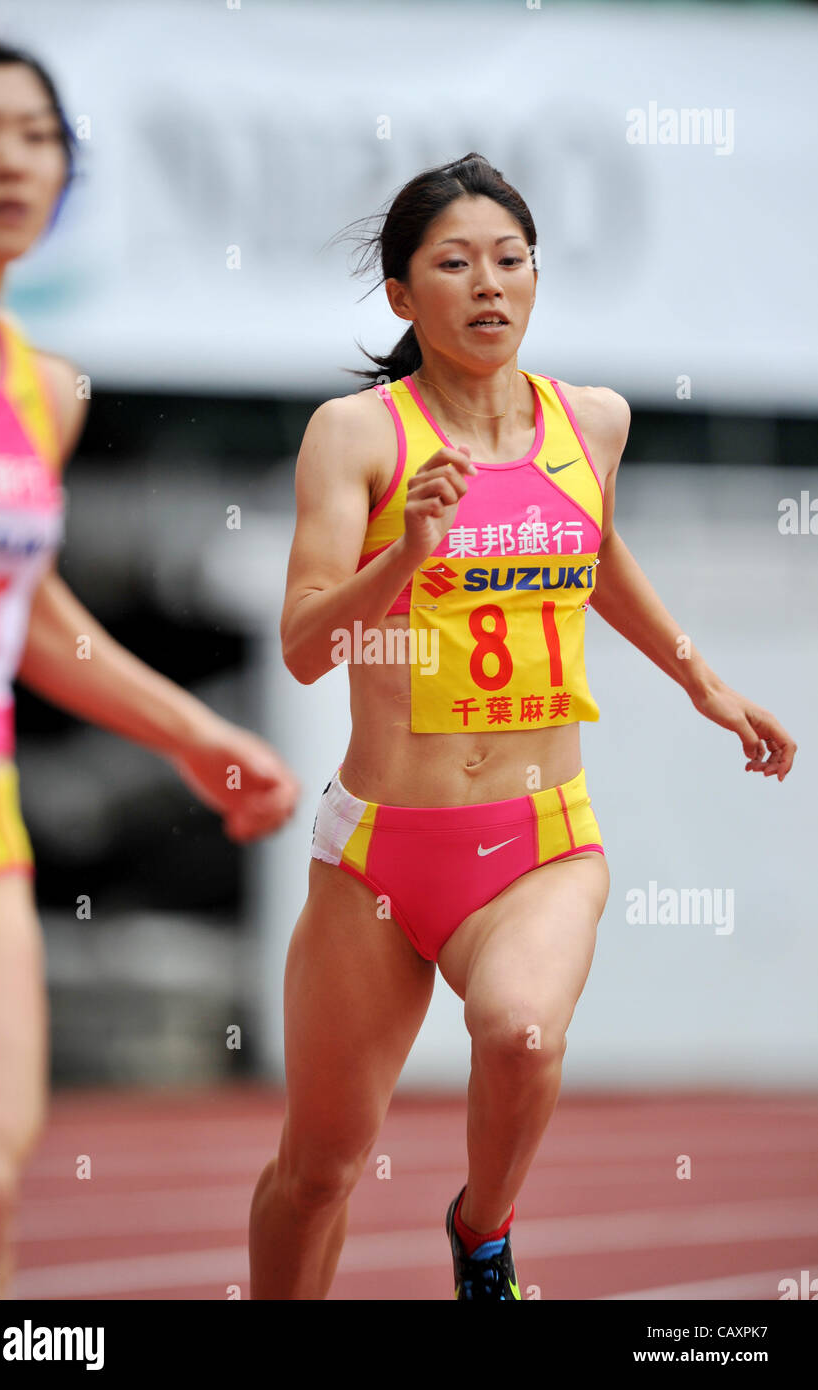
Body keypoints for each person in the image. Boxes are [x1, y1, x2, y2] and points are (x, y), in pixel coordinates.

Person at [248, 152, 796, 1300]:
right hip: (378, 855)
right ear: (402, 296)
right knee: (319, 1170)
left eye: (510, 260)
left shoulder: (589, 421)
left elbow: (592, 552)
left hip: (540, 837)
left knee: (519, 1036)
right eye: (453, 263)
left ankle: (481, 1231)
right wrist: (403, 555)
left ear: (536, 277)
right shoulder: (355, 436)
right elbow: (303, 646)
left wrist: (701, 678)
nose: (487, 284)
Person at [0, 38, 300, 1296]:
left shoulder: (46, 394)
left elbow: (27, 608)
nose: (12, 159)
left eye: (38, 136)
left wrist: (190, 734)